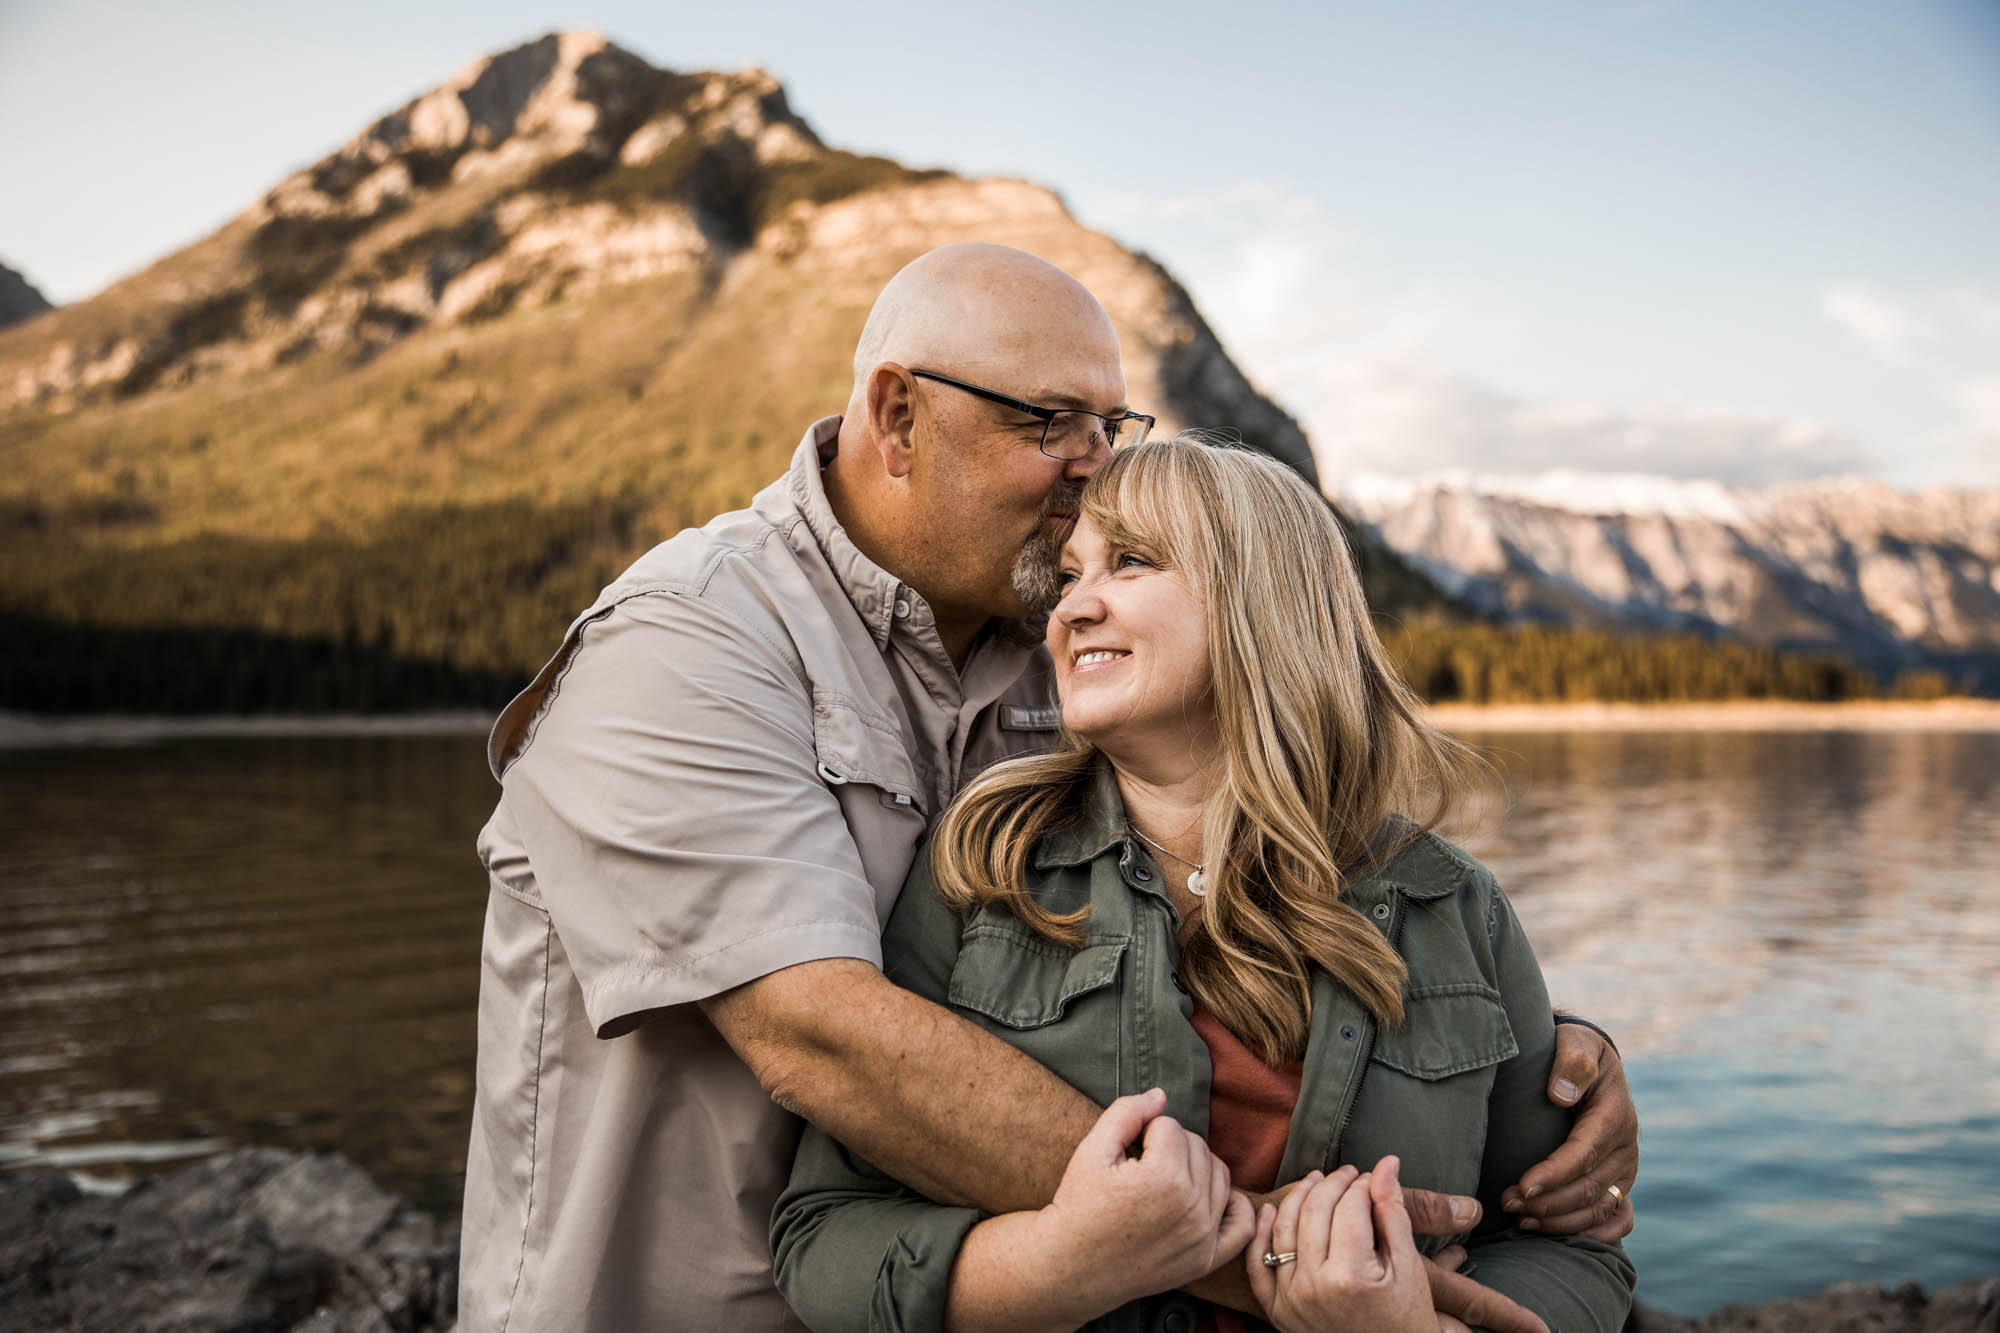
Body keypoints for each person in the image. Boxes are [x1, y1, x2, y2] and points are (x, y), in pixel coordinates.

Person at [458, 243, 1639, 1332]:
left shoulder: (1059, 640)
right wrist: (1283, 1263)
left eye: (1110, 424)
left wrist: (1535, 1063)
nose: (1097, 461)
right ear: (898, 416)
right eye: (1050, 420)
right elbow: (820, 1035)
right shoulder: (687, 639)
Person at [772, 437, 1636, 1333]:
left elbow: (1572, 1239)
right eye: (1069, 575)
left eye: (1130, 561)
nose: (1070, 609)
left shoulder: (1453, 903)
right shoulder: (983, 865)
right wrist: (1057, 1263)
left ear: (1264, 601)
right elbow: (822, 1234)